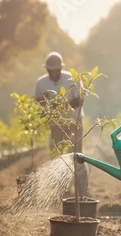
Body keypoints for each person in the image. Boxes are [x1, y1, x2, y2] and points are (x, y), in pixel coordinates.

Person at [34, 51, 88, 194]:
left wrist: (63, 105)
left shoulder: (72, 79)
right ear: (47, 70)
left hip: (74, 122)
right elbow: (38, 100)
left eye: (56, 70)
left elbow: (80, 99)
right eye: (50, 71)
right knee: (56, 154)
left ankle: (81, 191)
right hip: (55, 124)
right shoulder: (41, 82)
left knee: (76, 155)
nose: (53, 73)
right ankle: (60, 189)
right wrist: (43, 100)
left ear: (60, 69)